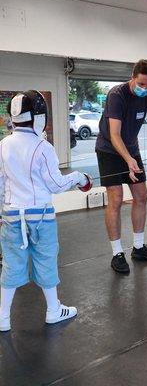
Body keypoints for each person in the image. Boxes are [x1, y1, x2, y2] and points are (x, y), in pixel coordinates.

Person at [0, 90, 91, 331]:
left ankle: (3, 318)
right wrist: (80, 178)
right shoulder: (43, 147)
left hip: (11, 216)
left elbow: (0, 185)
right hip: (40, 216)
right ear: (40, 116)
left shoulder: (3, 145)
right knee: (45, 260)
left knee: (11, 263)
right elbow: (56, 185)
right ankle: (53, 310)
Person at [95, 59, 147, 274]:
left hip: (132, 148)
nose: (145, 89)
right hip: (109, 150)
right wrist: (128, 160)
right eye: (142, 84)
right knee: (117, 199)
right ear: (133, 77)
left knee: (142, 195)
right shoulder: (116, 95)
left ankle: (138, 247)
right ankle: (117, 253)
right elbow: (114, 134)